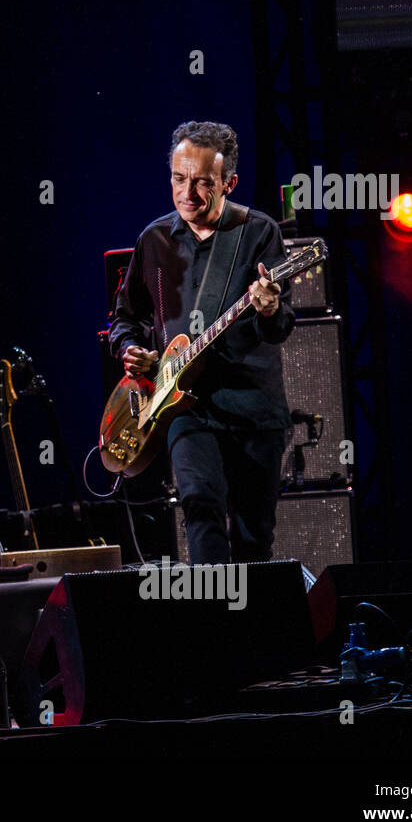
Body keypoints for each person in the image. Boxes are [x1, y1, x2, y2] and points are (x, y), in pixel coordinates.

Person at [110, 121, 294, 565]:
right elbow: (125, 318)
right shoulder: (153, 240)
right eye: (179, 178)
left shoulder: (260, 233)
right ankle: (214, 625)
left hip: (254, 409)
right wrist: (129, 349)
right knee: (201, 510)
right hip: (186, 409)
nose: (187, 193)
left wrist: (268, 307)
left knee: (254, 536)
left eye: (203, 183)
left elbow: (282, 324)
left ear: (229, 183)